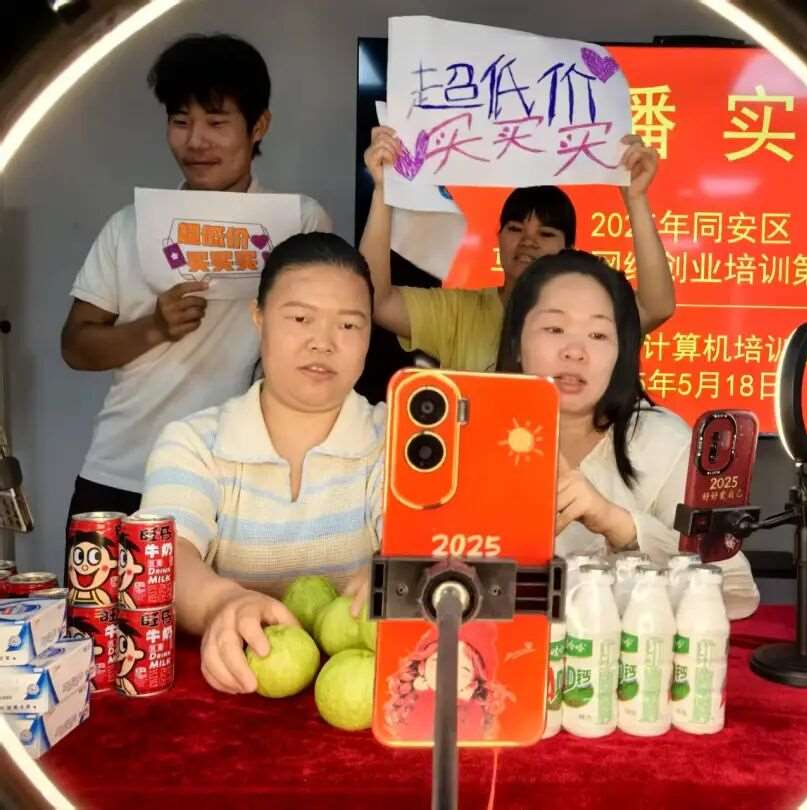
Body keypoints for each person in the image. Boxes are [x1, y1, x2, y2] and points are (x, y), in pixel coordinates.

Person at [61, 33, 332, 518]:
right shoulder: (130, 226)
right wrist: (154, 328)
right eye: (180, 121)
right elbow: (76, 346)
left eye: (216, 122)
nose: (195, 141)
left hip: (241, 480)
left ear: (259, 126)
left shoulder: (299, 222)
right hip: (124, 471)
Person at [139, 233, 382, 694]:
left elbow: (429, 545)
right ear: (259, 318)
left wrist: (402, 575)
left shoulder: (398, 440)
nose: (323, 342)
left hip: (367, 698)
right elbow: (166, 557)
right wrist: (222, 604)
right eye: (300, 318)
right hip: (232, 690)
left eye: (349, 325)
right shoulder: (194, 442)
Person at [496, 250, 759, 619]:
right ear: (515, 342)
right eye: (554, 329)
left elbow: (735, 591)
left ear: (621, 352)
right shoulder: (467, 431)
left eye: (598, 334)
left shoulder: (661, 442)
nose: (575, 351)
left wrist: (618, 524)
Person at [358, 125, 676, 373]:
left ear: (568, 248)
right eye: (515, 229)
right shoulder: (459, 313)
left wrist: (635, 198)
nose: (528, 241)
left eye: (546, 233)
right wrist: (384, 189)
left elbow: (656, 307)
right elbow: (374, 299)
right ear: (498, 238)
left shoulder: (588, 316)